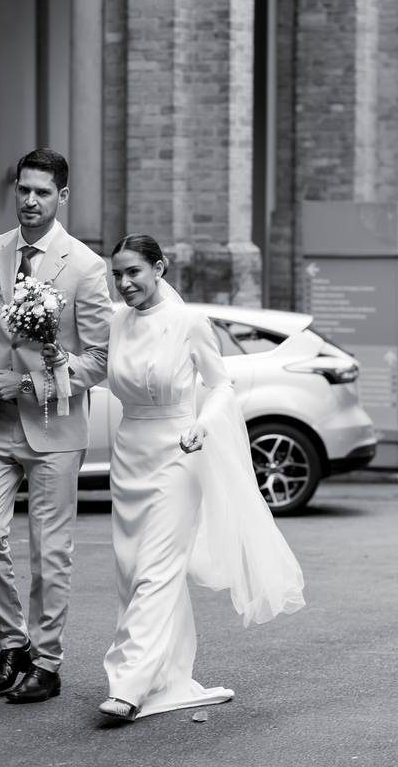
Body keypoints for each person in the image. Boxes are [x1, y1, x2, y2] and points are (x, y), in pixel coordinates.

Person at [98, 234, 306, 721]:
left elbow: (221, 385)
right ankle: (168, 677)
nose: (125, 283)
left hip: (178, 449)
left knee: (157, 568)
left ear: (159, 268)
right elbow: (107, 375)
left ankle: (127, 685)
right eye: (118, 275)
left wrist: (202, 424)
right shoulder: (116, 322)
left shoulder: (189, 322)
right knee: (131, 569)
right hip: (129, 451)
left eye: (134, 272)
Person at [0, 148, 114, 703]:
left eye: (42, 192)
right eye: (23, 190)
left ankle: (46, 664)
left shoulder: (86, 266)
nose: (30, 201)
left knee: (49, 553)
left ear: (62, 197)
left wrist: (28, 385)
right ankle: (12, 643)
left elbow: (98, 360)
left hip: (54, 427)